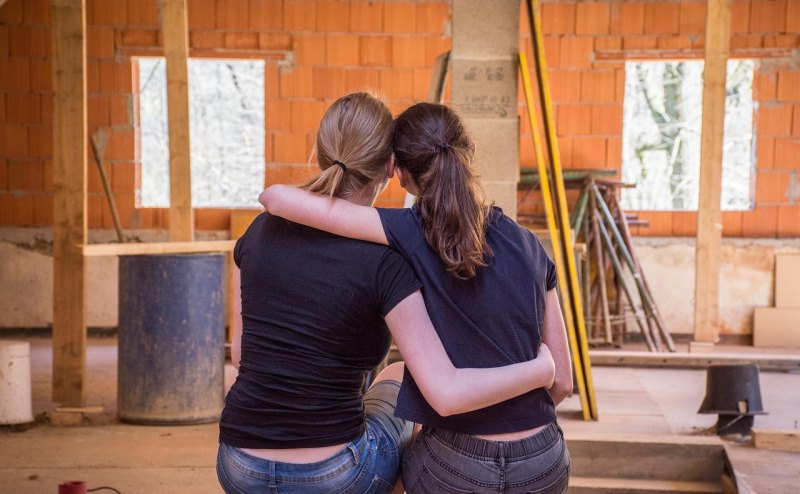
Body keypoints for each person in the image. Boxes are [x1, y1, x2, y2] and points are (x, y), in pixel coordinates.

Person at [218, 93, 557, 494]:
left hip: (238, 463)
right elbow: (445, 390)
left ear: (322, 149)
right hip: (337, 476)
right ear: (390, 167)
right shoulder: (389, 257)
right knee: (400, 379)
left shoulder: (256, 233)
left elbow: (240, 355)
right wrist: (540, 368)